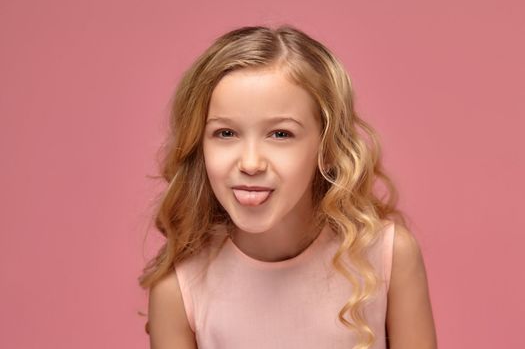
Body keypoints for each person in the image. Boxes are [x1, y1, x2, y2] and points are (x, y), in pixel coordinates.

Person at [138, 24, 437, 349]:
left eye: (281, 134)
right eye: (226, 133)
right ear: (200, 145)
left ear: (328, 146)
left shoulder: (388, 256)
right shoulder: (179, 288)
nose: (250, 163)